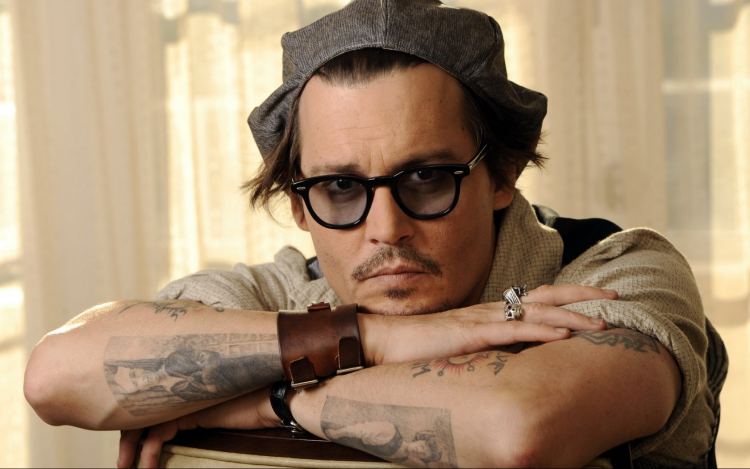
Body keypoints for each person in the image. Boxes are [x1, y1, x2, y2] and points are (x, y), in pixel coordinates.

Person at [23, 1, 724, 468]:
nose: (385, 229)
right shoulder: (281, 291)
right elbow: (57, 375)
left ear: (502, 174)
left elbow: (518, 431)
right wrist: (374, 337)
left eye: (425, 178)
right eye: (339, 188)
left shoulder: (620, 271)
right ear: (298, 206)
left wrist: (268, 397)